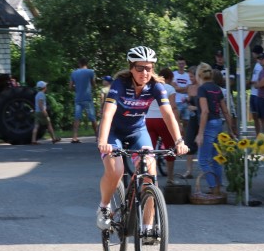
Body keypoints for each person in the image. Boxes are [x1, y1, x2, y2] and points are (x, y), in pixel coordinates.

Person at [96, 46, 189, 231]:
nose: (144, 72)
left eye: (149, 68)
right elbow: (108, 113)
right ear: (131, 67)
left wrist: (179, 141)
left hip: (137, 131)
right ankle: (104, 207)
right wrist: (103, 141)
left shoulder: (156, 86)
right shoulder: (120, 84)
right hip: (114, 132)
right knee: (116, 170)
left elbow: (168, 114)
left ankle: (147, 227)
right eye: (140, 68)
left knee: (150, 176)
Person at [195, 62, 236, 194]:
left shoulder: (202, 89)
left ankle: (214, 187)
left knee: (202, 160)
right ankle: (218, 186)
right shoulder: (217, 88)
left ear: (199, 75)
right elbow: (226, 112)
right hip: (218, 123)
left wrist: (200, 134)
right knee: (216, 158)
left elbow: (205, 111)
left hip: (209, 124)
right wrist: (231, 130)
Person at [145, 68, 181, 184]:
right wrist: (178, 124)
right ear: (170, 78)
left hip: (148, 120)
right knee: (170, 147)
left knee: (149, 150)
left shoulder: (149, 86)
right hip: (163, 121)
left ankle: (149, 178)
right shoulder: (170, 88)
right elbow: (173, 107)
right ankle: (170, 178)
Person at [69, 57, 97, 143]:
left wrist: (77, 88)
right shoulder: (90, 72)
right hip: (87, 98)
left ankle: (74, 137)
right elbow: (94, 84)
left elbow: (70, 87)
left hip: (78, 98)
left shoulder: (74, 73)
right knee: (92, 118)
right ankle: (98, 136)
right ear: (86, 64)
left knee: (77, 118)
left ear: (79, 64)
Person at [248, 44, 264, 134]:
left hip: (258, 94)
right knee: (255, 116)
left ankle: (262, 134)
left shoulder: (261, 65)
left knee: (260, 117)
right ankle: (258, 134)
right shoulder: (257, 64)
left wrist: (250, 82)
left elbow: (260, 80)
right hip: (254, 93)